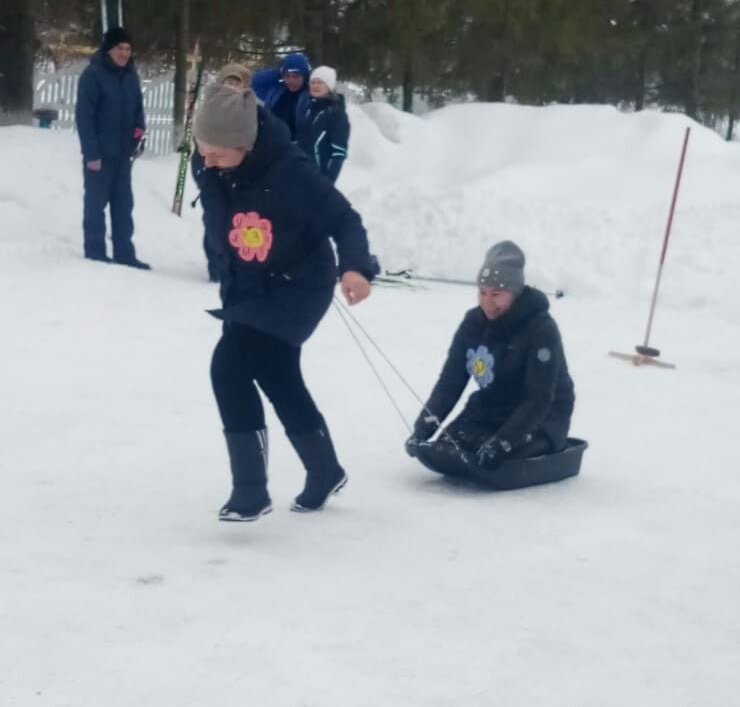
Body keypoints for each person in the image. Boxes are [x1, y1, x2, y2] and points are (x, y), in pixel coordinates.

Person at [191, 82, 375, 521]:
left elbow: (344, 219)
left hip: (298, 284)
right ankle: (325, 470)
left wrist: (355, 267)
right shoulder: (212, 163)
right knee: (278, 376)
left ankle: (250, 491)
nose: (208, 160)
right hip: (249, 286)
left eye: (218, 153)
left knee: (229, 366)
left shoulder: (289, 169)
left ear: (246, 144)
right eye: (204, 150)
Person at [406, 241, 575, 470]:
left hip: (543, 414)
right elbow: (450, 382)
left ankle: (522, 444)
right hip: (495, 404)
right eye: (482, 292)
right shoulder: (472, 324)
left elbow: (539, 397)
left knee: (501, 458)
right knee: (451, 447)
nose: (487, 302)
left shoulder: (541, 329)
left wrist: (503, 442)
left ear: (514, 293)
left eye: (496, 294)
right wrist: (423, 428)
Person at [74, 26, 149, 268]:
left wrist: (138, 137)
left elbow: (138, 112)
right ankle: (95, 252)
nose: (124, 53)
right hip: (100, 155)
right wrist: (91, 153)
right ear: (109, 50)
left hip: (123, 155)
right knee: (96, 204)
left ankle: (124, 253)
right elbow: (84, 118)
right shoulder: (93, 75)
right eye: (120, 48)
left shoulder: (130, 76)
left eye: (128, 49)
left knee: (123, 205)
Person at [200, 64, 253, 282]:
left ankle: (234, 265)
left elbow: (253, 136)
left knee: (237, 222)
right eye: (228, 81)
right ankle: (217, 267)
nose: (232, 86)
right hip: (211, 171)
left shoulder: (249, 106)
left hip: (239, 174)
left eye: (237, 82)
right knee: (215, 219)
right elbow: (199, 134)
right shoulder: (209, 104)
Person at [297, 65, 350, 182]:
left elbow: (339, 153)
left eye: (320, 83)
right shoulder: (308, 109)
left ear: (329, 86)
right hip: (300, 174)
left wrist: (328, 183)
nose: (315, 86)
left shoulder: (336, 113)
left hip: (320, 177)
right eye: (313, 82)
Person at [250, 52, 311, 140]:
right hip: (272, 143)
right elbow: (255, 81)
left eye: (296, 76)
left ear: (305, 76)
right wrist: (279, 72)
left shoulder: (310, 94)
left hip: (297, 148)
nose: (291, 80)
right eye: (287, 76)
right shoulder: (276, 91)